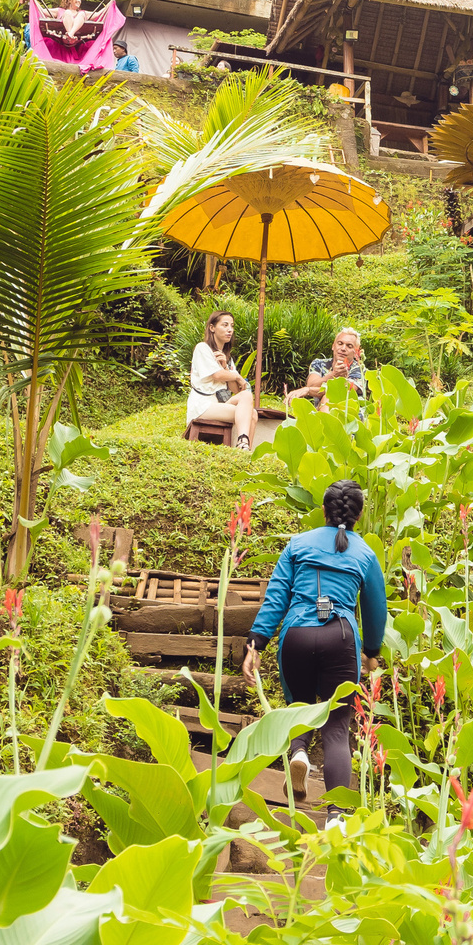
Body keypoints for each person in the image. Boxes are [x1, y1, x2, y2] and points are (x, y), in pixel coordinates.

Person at [243, 479, 385, 801]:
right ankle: (335, 816)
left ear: (323, 510)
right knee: (336, 728)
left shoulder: (297, 544)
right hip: (342, 638)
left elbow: (276, 597)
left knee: (299, 706)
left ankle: (299, 753)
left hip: (297, 636)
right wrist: (372, 651)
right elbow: (376, 608)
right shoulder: (365, 553)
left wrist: (255, 644)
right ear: (358, 516)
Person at [185, 309, 258, 448]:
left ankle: (244, 447)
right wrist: (236, 376)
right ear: (212, 328)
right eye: (225, 325)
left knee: (248, 400)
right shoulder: (203, 348)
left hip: (220, 405)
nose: (230, 329)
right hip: (203, 406)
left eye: (232, 326)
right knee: (251, 413)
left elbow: (236, 390)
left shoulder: (227, 360)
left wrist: (226, 367)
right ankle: (243, 445)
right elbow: (216, 375)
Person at [290, 327, 369, 405]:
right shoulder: (318, 364)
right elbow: (311, 385)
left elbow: (342, 392)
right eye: (340, 343)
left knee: (328, 398)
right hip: (320, 410)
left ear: (356, 352)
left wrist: (308, 390)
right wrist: (333, 374)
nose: (343, 348)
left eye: (349, 346)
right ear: (333, 346)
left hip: (348, 413)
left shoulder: (359, 369)